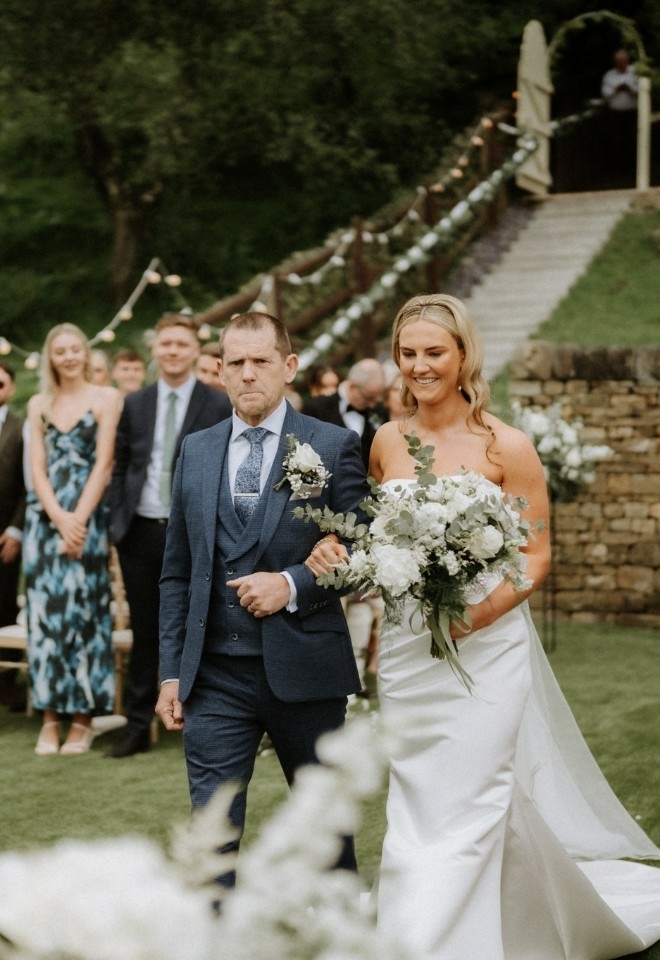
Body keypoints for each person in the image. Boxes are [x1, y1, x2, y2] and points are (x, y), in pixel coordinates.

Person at [336, 293, 660, 959]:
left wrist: (474, 617)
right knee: (422, 798)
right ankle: (466, 925)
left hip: (487, 651)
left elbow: (536, 556)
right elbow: (381, 540)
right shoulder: (387, 441)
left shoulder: (506, 445)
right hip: (407, 651)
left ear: (463, 358)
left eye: (434, 353)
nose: (421, 366)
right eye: (409, 354)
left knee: (475, 794)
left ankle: (438, 944)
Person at [156, 311, 370, 886]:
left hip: (306, 670)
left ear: (289, 367)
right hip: (214, 676)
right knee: (210, 836)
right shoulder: (196, 451)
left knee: (326, 834)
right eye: (236, 363)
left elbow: (365, 552)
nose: (248, 374)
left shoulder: (332, 444)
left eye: (261, 361)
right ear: (221, 370)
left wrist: (293, 583)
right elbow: (176, 571)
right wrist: (172, 674)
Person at [108, 313, 231, 758]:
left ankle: (200, 719)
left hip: (193, 532)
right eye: (166, 344)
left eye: (182, 344)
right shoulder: (135, 402)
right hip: (139, 529)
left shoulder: (216, 403)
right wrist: (117, 521)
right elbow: (122, 463)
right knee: (146, 628)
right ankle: (138, 725)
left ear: (195, 350)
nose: (174, 351)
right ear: (155, 350)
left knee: (200, 622)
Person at [23, 324, 123, 754]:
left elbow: (104, 464)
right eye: (60, 350)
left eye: (75, 349)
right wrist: (58, 519)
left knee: (84, 613)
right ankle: (49, 717)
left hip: (88, 517)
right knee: (46, 618)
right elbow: (38, 469)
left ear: (85, 353)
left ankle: (82, 718)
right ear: (51, 357)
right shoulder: (37, 403)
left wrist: (77, 521)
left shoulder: (107, 398)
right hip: (45, 522)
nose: (68, 357)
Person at [302, 357, 386, 470]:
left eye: (376, 398)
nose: (372, 405)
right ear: (352, 387)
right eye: (368, 397)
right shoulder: (316, 408)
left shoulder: (379, 411)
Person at [0, 362, 26, 628]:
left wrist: (16, 529)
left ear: (11, 388)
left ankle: (5, 669)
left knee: (4, 607)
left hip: (5, 534)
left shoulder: (21, 428)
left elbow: (27, 484)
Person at [601, 49, 638, 187]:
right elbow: (605, 93)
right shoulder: (609, 76)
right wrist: (616, 90)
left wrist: (631, 90)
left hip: (632, 113)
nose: (622, 65)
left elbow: (642, 89)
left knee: (633, 140)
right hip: (616, 114)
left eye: (624, 62)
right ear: (615, 63)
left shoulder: (635, 73)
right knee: (616, 141)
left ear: (627, 61)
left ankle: (633, 169)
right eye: (619, 62)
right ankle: (617, 170)